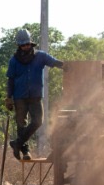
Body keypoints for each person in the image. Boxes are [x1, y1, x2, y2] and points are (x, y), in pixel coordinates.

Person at [6, 27, 65, 160]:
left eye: (27, 44)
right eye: (23, 45)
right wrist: (9, 97)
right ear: (19, 46)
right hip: (19, 96)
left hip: (35, 96)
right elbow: (10, 79)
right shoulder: (14, 61)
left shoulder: (40, 56)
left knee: (38, 121)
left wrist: (67, 66)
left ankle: (17, 143)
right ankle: (25, 151)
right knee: (21, 124)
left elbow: (54, 62)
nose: (26, 47)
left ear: (30, 43)